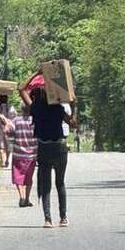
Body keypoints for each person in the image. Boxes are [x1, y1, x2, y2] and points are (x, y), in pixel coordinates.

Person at [20, 75, 77, 228]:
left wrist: (35, 73)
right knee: (60, 183)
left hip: (43, 148)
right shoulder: (58, 108)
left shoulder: (35, 109)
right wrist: (74, 106)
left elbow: (21, 89)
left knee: (46, 185)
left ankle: (48, 219)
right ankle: (63, 217)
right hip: (59, 148)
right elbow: (73, 124)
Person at [5, 103, 37, 208]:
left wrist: (5, 124)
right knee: (29, 177)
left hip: (18, 153)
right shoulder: (35, 120)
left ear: (22, 110)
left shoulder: (16, 120)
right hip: (31, 154)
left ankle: (21, 197)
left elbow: (8, 132)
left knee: (18, 176)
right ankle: (27, 198)